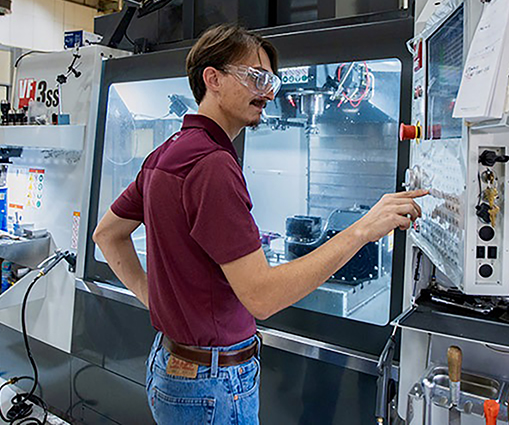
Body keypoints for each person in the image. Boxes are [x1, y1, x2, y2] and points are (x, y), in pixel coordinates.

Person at [92, 23, 427, 424]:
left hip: (170, 364)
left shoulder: (167, 153)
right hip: (213, 383)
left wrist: (160, 304)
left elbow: (107, 234)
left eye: (272, 81)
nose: (268, 92)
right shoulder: (214, 165)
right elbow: (263, 298)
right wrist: (363, 230)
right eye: (256, 78)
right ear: (212, 79)